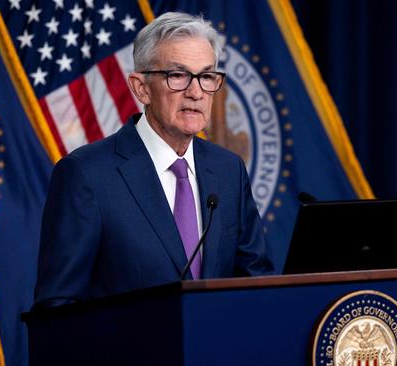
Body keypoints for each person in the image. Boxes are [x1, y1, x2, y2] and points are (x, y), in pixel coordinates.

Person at [33, 12, 274, 309]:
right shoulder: (86, 175)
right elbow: (57, 307)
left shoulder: (229, 170)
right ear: (141, 88)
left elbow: (257, 284)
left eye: (207, 76)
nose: (196, 92)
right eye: (178, 76)